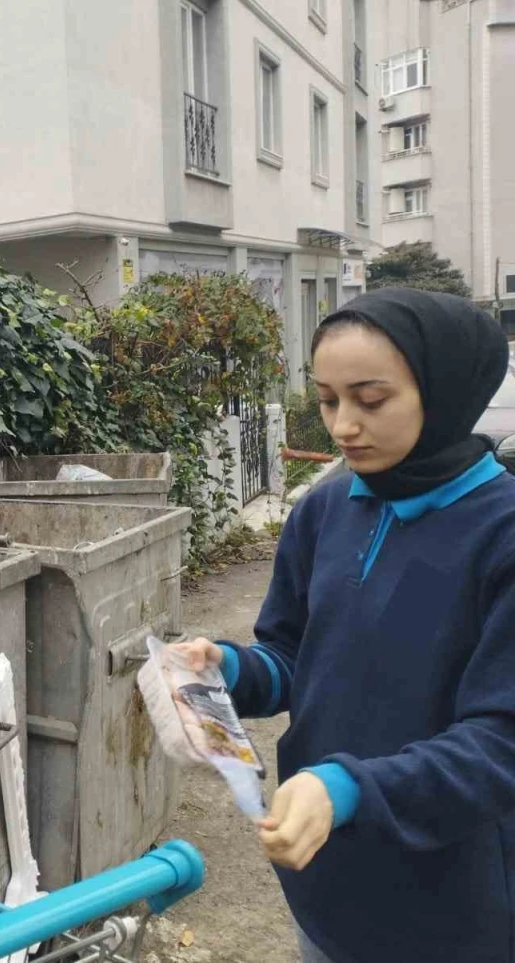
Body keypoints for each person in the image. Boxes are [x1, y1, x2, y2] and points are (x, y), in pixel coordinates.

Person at [173, 287, 515, 963]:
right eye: (328, 399)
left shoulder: (500, 533)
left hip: (451, 904)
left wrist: (349, 787)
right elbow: (294, 655)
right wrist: (232, 669)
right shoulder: (324, 511)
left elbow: (499, 743)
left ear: (444, 389)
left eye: (371, 398)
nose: (342, 425)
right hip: (325, 878)